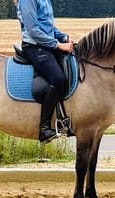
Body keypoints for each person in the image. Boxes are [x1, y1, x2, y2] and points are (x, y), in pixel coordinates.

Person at [16, 0, 74, 143]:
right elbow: (33, 30)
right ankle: (44, 129)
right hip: (34, 46)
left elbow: (48, 26)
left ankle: (63, 120)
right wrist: (58, 44)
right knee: (58, 78)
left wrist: (64, 37)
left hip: (46, 45)